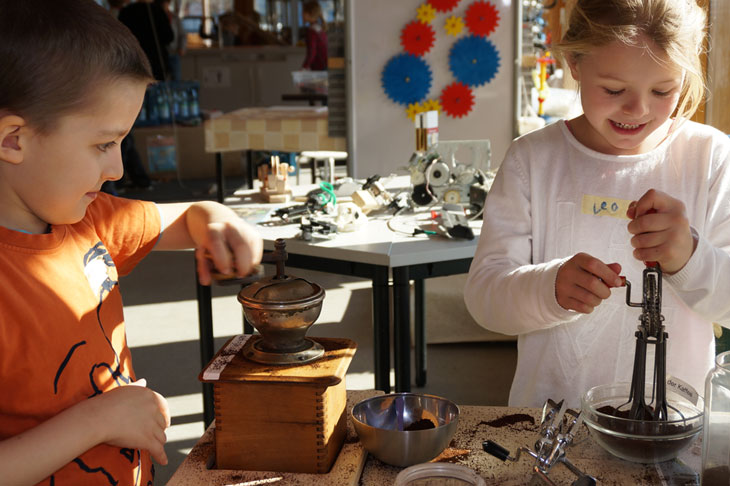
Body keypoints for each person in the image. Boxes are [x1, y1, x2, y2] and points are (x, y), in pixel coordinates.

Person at [0, 0, 263, 484]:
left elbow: (184, 218)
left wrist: (215, 218)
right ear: (13, 139)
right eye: (103, 144)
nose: (118, 168)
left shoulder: (88, 219)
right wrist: (98, 420)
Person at [464, 0, 730, 408]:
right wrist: (548, 288)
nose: (637, 109)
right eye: (613, 89)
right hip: (550, 424)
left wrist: (690, 257)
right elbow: (484, 297)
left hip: (674, 434)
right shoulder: (532, 160)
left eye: (663, 91)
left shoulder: (711, 158)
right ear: (574, 62)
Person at [119, 0, 174, 81]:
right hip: (156, 63)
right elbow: (169, 37)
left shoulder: (126, 11)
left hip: (133, 63)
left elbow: (121, 39)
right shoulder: (157, 10)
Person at [301, 1, 328, 71]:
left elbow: (312, 52)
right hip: (324, 66)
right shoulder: (319, 28)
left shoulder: (312, 31)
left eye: (303, 12)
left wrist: (304, 67)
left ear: (308, 14)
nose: (302, 15)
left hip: (318, 68)